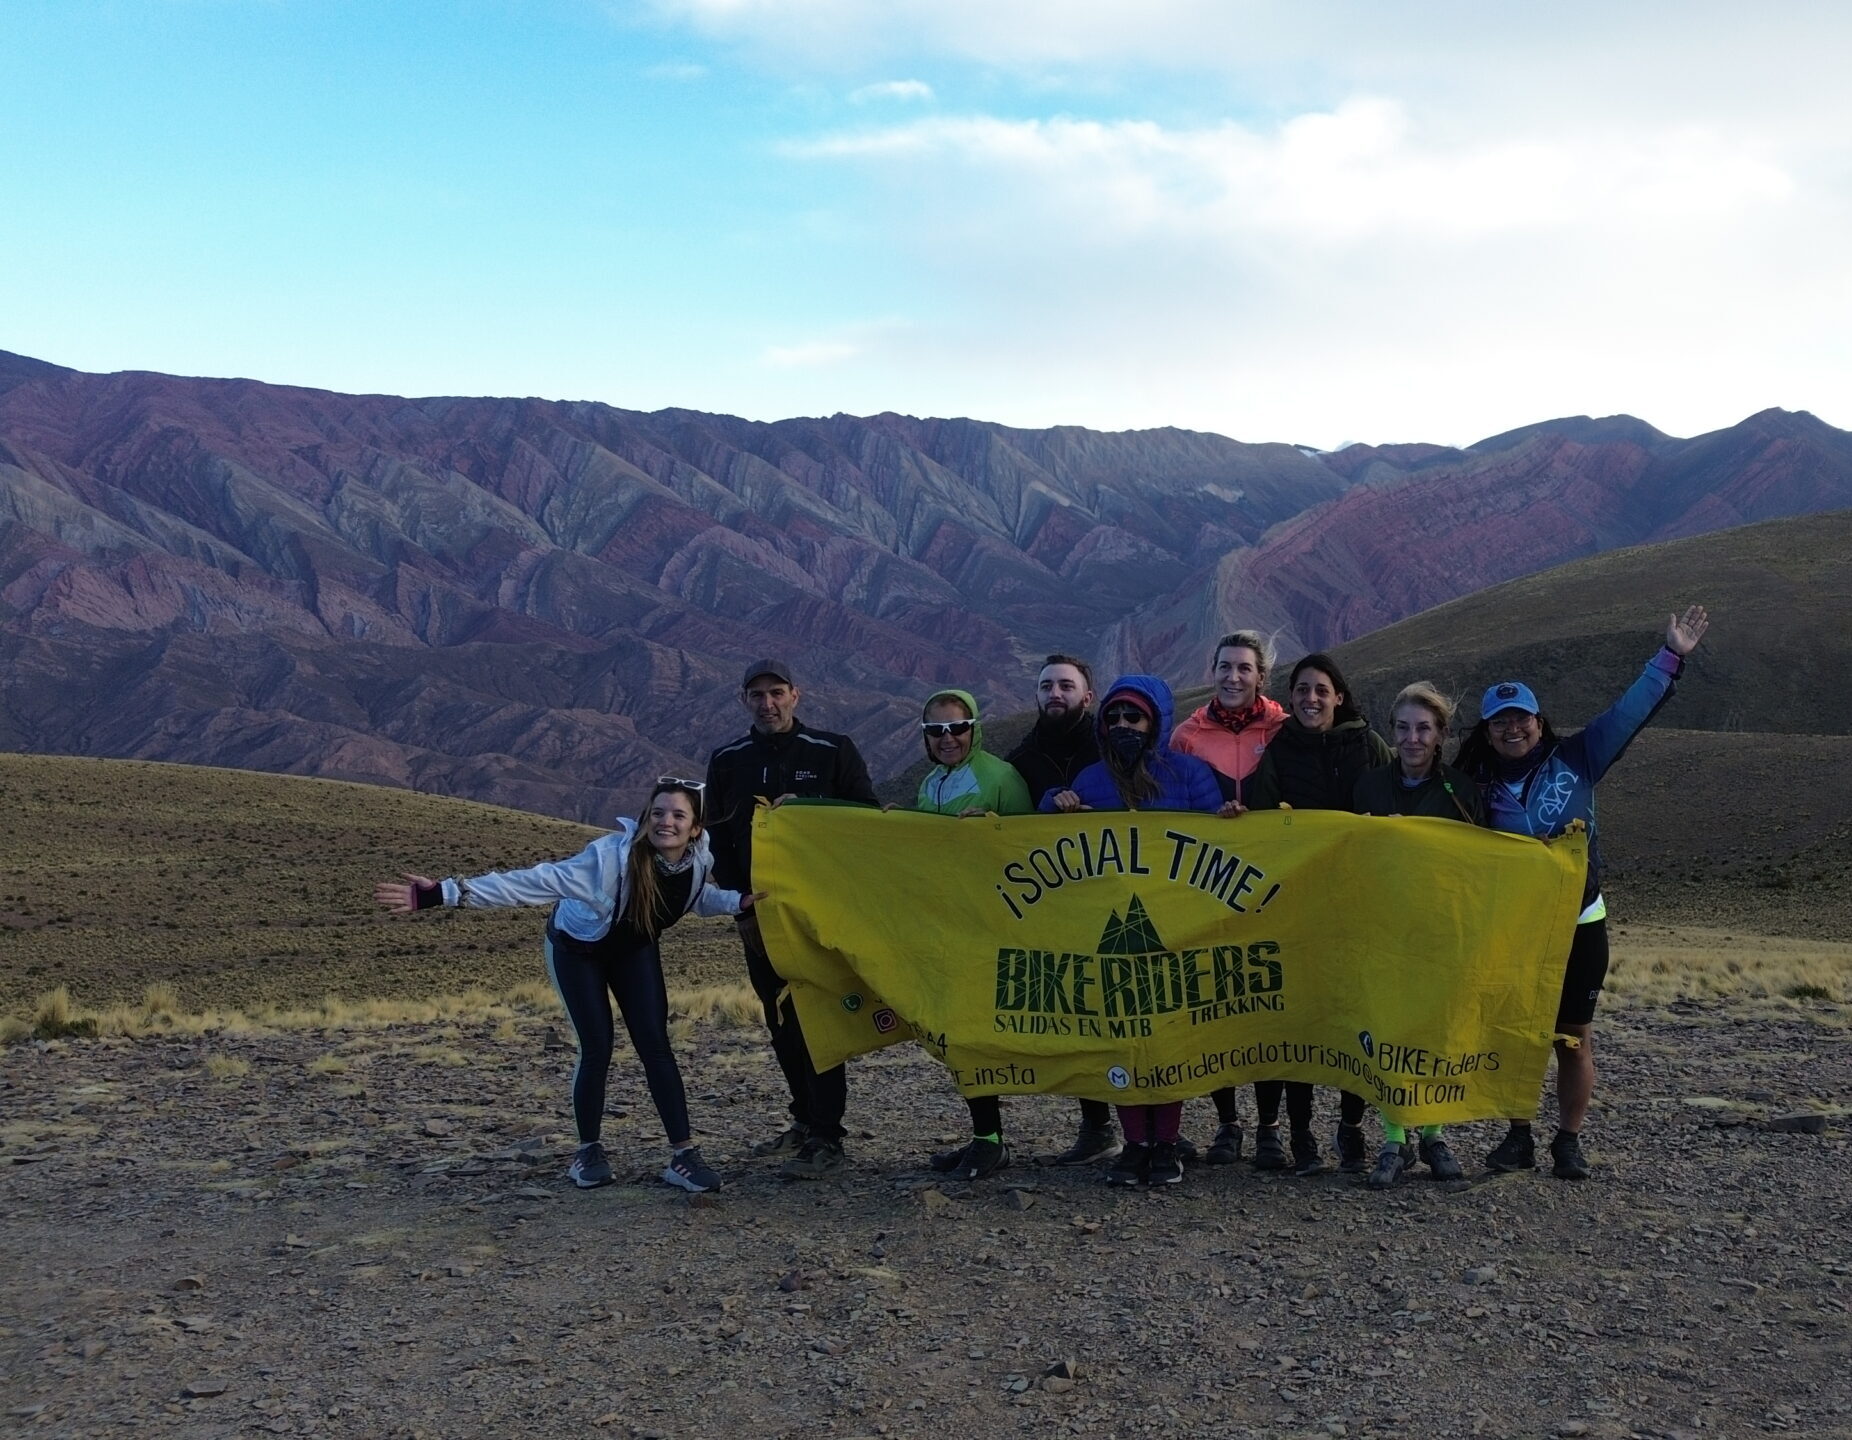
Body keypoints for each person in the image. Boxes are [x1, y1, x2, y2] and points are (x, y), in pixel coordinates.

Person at [373, 781, 757, 1194]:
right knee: (597, 1048)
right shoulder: (608, 861)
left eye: (678, 815)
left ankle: (683, 1156)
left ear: (695, 828)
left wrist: (736, 903)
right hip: (578, 952)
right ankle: (588, 1151)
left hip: (634, 948)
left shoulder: (699, 857)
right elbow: (536, 882)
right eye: (658, 813)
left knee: (656, 1046)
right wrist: (444, 894)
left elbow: (696, 898)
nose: (666, 822)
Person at [1457, 606, 1710, 1180]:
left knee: (1573, 1037)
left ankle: (1567, 1140)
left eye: (1521, 718)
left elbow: (1628, 713)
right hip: (1514, 929)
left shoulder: (1579, 758)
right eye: (1500, 722)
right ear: (1487, 731)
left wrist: (1670, 656)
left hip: (1579, 923)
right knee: (1518, 1034)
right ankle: (1517, 1134)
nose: (1512, 729)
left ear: (1539, 723)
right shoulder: (1475, 787)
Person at [1042, 674, 1225, 1187]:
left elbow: (1224, 845)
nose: (1124, 726)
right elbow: (1048, 840)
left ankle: (1166, 1144)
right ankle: (1134, 1144)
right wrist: (1054, 801)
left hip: (1177, 932)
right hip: (1112, 936)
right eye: (1115, 718)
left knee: (1167, 1040)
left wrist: (1233, 821)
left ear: (1156, 722)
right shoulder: (1093, 780)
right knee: (1121, 1039)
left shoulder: (1190, 775)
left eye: (1135, 717)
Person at [704, 659, 880, 1180]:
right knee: (781, 1019)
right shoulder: (728, 760)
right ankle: (803, 1120)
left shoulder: (832, 750)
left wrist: (811, 809)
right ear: (744, 701)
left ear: (796, 695)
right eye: (756, 695)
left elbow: (868, 816)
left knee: (820, 1018)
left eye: (777, 692)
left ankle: (829, 1134)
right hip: (760, 915)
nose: (768, 703)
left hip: (820, 914)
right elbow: (718, 838)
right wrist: (740, 910)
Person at [1242, 652, 1393, 1176]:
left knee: (1354, 1018)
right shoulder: (1280, 750)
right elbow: (1261, 824)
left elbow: (1392, 809)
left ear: (1339, 697)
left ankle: (1351, 1126)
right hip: (1295, 908)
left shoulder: (1368, 745)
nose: (1310, 699)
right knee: (1294, 1019)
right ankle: (1300, 1133)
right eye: (1302, 690)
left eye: (1321, 690)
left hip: (1357, 906)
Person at [1351, 682, 1484, 1188]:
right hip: (1383, 929)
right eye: (1403, 728)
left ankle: (1434, 1133)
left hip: (1440, 931)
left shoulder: (1461, 791)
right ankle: (1393, 1138)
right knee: (1389, 1030)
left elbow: (1483, 858)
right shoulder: (1368, 786)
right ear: (1392, 732)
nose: (1412, 738)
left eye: (1423, 728)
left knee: (1435, 1030)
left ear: (1441, 734)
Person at [1171, 629, 1287, 1165]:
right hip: (1208, 884)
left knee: (1266, 1000)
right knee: (1215, 1000)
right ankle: (1226, 1123)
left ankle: (1268, 1125)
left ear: (1260, 676)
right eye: (1224, 667)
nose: (1233, 677)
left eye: (1244, 668)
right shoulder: (1187, 736)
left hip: (1273, 883)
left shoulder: (1283, 729)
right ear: (1212, 672)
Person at [1003, 655, 1123, 1167]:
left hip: (1120, 894)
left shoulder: (1114, 744)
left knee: (1133, 1005)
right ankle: (1097, 1124)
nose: (1056, 693)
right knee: (1081, 1011)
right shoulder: (1022, 758)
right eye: (1047, 685)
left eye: (1066, 686)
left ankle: (1156, 1124)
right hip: (1055, 899)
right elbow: (1008, 825)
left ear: (1087, 696)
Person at [912, 688, 1033, 1181]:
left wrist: (992, 832)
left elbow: (1032, 846)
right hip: (949, 926)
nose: (947, 738)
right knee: (962, 1033)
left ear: (975, 728)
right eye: (935, 731)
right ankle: (986, 1137)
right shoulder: (929, 784)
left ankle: (1096, 1129)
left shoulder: (1000, 778)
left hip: (998, 925)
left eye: (957, 728)